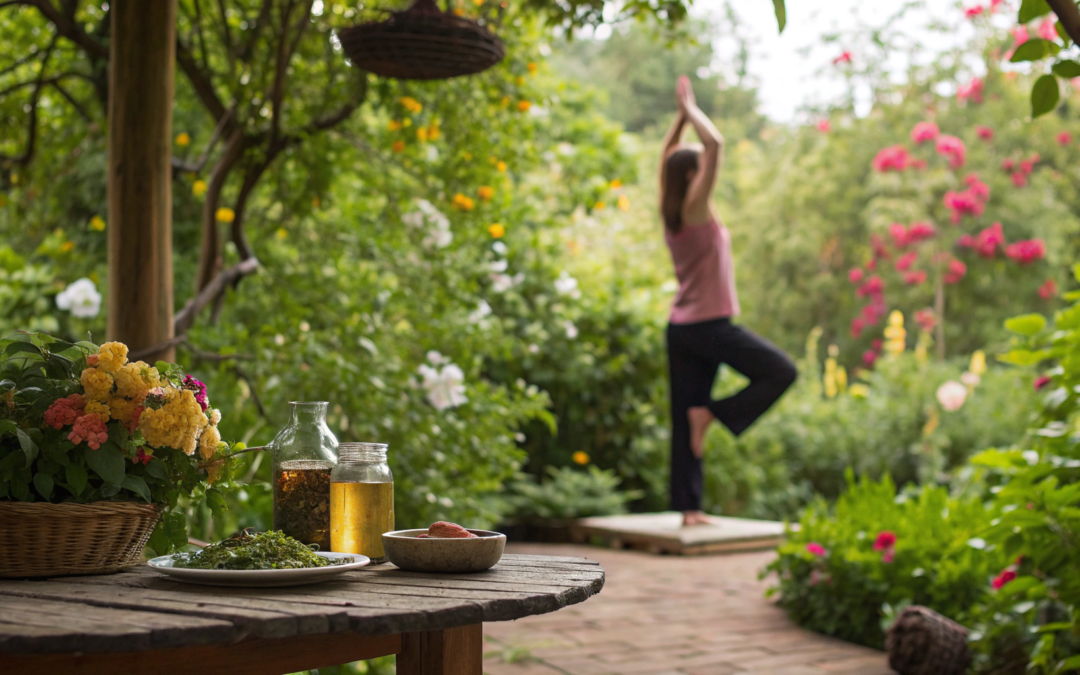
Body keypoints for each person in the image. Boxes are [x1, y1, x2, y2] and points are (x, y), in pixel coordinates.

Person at [660, 76, 797, 527]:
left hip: (682, 330)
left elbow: (668, 159)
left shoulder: (674, 210)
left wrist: (680, 119)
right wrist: (692, 109)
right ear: (690, 177)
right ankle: (714, 415)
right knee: (781, 371)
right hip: (710, 326)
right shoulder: (695, 211)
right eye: (698, 167)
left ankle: (690, 509)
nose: (707, 170)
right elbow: (714, 143)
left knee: (686, 418)